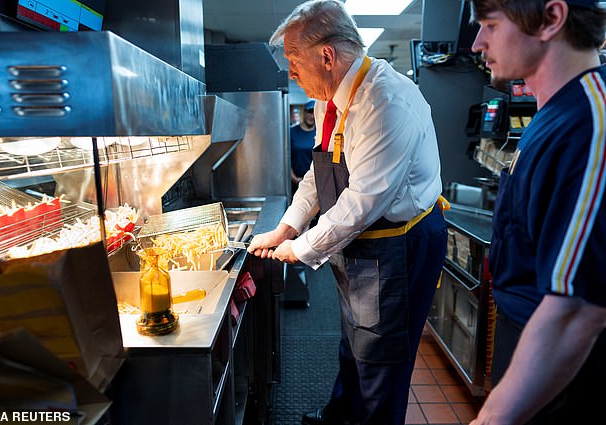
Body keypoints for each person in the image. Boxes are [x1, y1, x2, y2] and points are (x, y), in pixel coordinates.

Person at [247, 1, 448, 424]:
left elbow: (363, 202)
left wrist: (301, 249)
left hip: (397, 242)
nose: (291, 72)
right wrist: (286, 228)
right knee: (354, 339)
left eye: (294, 59)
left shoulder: (385, 102)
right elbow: (316, 176)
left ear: (326, 55)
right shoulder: (328, 98)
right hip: (359, 240)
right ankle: (341, 417)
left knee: (381, 355)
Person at [468, 1, 606, 424]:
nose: (477, 43)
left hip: (564, 372)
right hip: (530, 348)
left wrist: (491, 419)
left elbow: (577, 309)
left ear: (551, 18)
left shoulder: (591, 122)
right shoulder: (555, 113)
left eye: (490, 25)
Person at [290, 100, 317, 192]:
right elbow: (286, 157)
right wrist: (293, 177)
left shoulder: (320, 133)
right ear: (304, 113)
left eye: (314, 113)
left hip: (315, 182)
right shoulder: (292, 132)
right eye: (309, 112)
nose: (312, 116)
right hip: (296, 181)